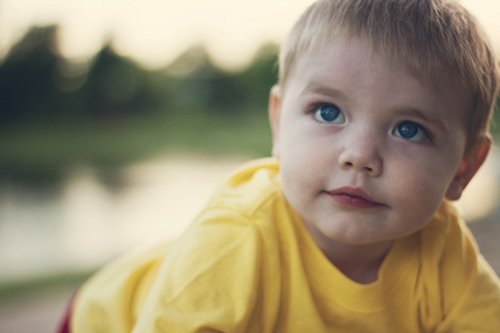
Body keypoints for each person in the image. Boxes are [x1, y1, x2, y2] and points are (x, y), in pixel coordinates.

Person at [66, 0, 500, 331]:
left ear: (464, 167)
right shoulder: (238, 236)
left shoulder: (442, 250)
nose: (359, 155)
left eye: (409, 129)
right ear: (278, 122)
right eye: (328, 112)